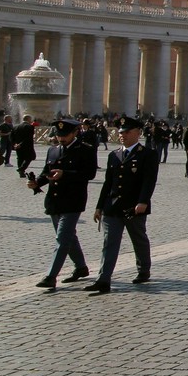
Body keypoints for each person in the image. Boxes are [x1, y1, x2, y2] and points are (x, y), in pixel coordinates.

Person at [87, 116, 159, 295]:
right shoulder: (114, 154)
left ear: (138, 133)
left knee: (138, 238)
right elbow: (108, 183)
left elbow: (149, 181)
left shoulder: (147, 154)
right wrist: (99, 206)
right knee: (109, 242)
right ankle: (103, 279)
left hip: (134, 206)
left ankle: (144, 269)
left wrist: (143, 201)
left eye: (127, 132)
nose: (122, 135)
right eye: (120, 132)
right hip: (113, 206)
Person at [27, 119, 96, 288]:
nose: (61, 138)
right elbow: (47, 172)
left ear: (74, 133)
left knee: (62, 238)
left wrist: (65, 174)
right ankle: (81, 267)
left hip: (73, 200)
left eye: (64, 135)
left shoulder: (85, 150)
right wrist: (37, 183)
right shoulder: (53, 150)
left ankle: (51, 276)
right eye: (58, 135)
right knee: (69, 237)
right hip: (54, 201)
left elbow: (89, 174)